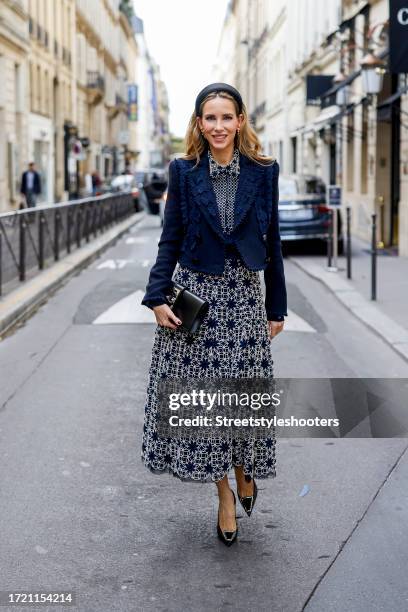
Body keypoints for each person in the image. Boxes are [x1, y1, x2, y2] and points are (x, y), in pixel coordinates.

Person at [141, 83, 287, 546]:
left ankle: (245, 469)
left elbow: (273, 243)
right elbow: (170, 238)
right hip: (198, 300)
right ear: (199, 124)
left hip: (245, 298)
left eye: (227, 117)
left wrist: (276, 306)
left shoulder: (264, 172)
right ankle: (224, 495)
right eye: (210, 118)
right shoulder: (184, 172)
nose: (219, 126)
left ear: (240, 121)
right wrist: (157, 296)